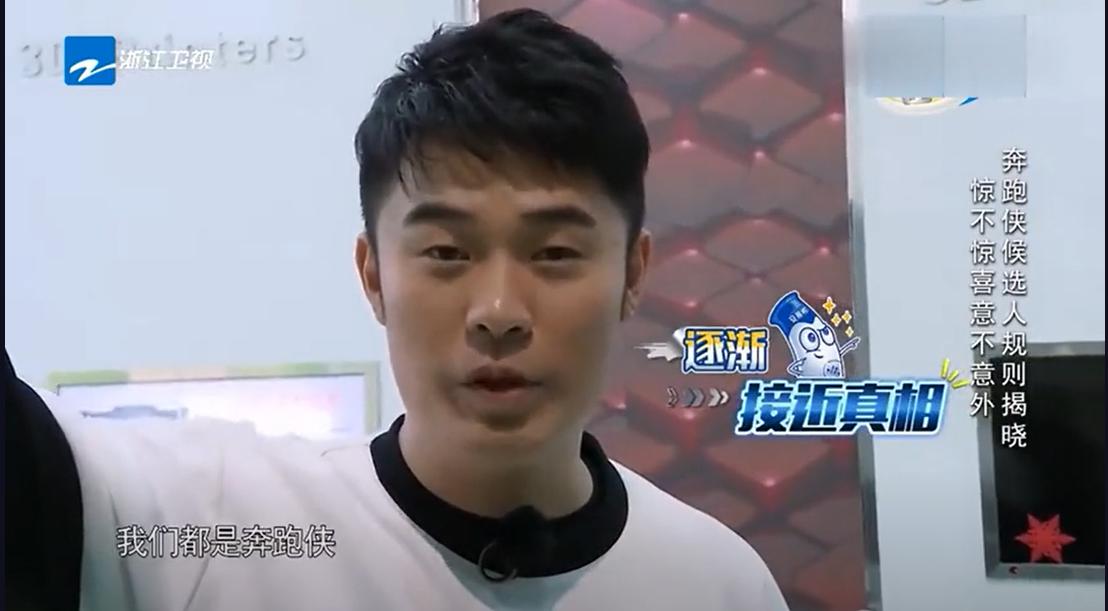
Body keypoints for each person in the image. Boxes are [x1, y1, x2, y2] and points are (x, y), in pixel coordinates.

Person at [6, 9, 789, 611]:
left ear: (632, 273)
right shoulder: (221, 529)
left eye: (554, 252)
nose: (498, 312)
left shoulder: (717, 583)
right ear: (373, 274)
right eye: (446, 251)